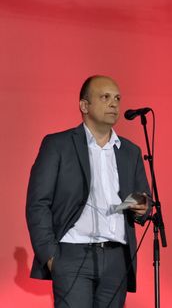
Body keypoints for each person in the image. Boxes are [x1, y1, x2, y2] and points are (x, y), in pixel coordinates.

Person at [26, 75, 151, 308]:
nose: (114, 104)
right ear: (84, 105)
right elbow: (38, 203)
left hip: (117, 259)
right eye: (105, 97)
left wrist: (143, 207)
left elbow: (143, 200)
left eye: (117, 98)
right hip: (72, 254)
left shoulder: (130, 152)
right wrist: (52, 257)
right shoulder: (58, 145)